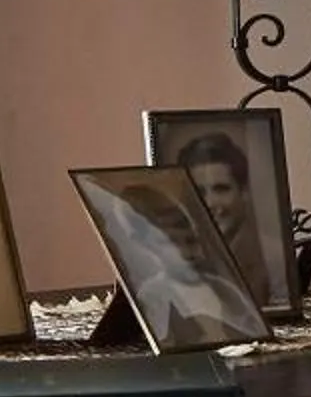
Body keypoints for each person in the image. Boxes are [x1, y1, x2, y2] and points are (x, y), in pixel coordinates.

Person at [95, 177, 268, 346]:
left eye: (191, 241)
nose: (187, 253)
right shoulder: (154, 294)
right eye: (170, 243)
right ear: (146, 245)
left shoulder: (224, 289)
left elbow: (252, 332)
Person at [177, 128, 279, 306]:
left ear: (244, 193)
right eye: (199, 192)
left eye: (221, 189)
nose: (209, 203)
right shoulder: (172, 259)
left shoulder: (273, 259)